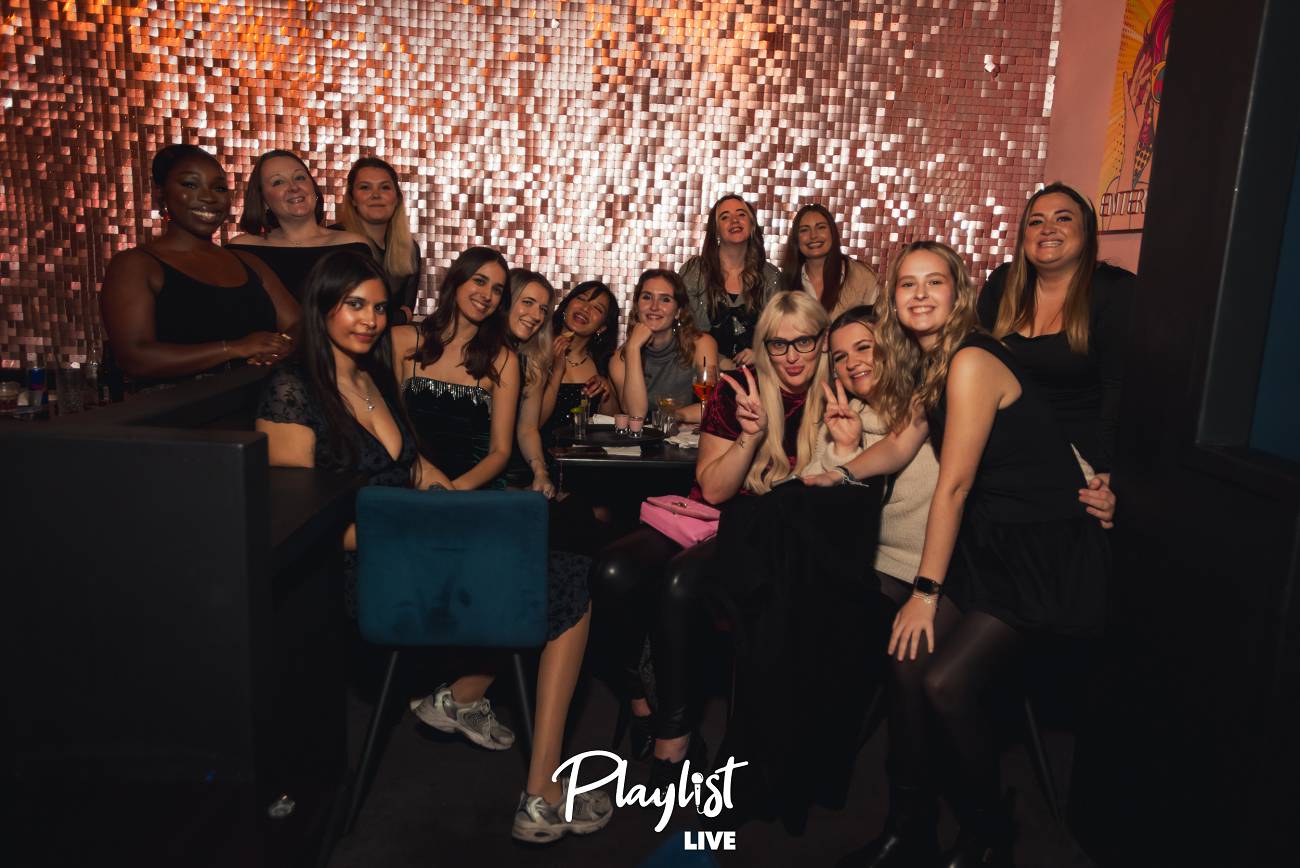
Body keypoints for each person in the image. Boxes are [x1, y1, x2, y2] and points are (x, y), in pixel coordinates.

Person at [255, 249, 610, 843]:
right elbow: (302, 528)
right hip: (369, 571)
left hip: (415, 546)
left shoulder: (369, 379)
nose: (369, 320)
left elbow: (417, 469)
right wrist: (420, 528)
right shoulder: (293, 391)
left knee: (565, 571)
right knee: (564, 592)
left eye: (377, 308)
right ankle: (540, 789)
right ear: (322, 308)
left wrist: (457, 513)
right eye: (354, 305)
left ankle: (490, 729)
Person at [806, 241, 1111, 867]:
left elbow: (954, 486)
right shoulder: (933, 364)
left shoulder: (970, 360)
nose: (920, 294)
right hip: (990, 544)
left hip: (1039, 554)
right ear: (892, 300)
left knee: (945, 682)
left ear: (959, 293)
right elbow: (899, 445)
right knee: (906, 661)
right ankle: (908, 828)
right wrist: (838, 474)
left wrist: (924, 594)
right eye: (907, 284)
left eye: (934, 282)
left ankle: (989, 832)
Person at [590, 290, 829, 784]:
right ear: (763, 346)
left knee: (680, 582)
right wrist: (750, 435)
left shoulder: (836, 396)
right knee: (610, 570)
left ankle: (674, 736)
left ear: (822, 342)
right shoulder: (737, 389)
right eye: (778, 344)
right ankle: (641, 701)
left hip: (767, 532)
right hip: (706, 515)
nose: (791, 356)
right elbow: (715, 489)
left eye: (804, 342)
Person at [100, 144, 299, 387]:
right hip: (184, 408)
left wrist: (283, 345)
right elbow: (136, 358)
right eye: (190, 184)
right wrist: (233, 348)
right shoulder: (136, 265)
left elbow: (300, 324)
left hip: (267, 403)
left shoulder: (248, 261)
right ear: (161, 194)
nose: (208, 197)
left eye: (219, 188)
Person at [978, 182, 1136, 483]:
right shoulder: (1003, 283)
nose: (1047, 229)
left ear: (1087, 232)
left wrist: (1107, 470)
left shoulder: (1115, 291)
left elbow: (1119, 390)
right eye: (1036, 222)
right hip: (1003, 453)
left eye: (1063, 218)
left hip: (1079, 462)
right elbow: (974, 369)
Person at [390, 246, 518, 491]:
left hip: (470, 491)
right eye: (479, 281)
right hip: (407, 483)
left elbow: (500, 451)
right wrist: (427, 483)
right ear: (457, 280)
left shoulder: (503, 360)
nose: (487, 295)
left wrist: (451, 492)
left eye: (497, 289)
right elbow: (389, 427)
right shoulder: (402, 340)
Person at [227, 149, 374, 301]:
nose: (294, 187)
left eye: (300, 178)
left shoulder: (354, 246)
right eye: (278, 182)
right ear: (263, 200)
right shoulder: (243, 250)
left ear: (313, 189)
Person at [679, 194, 781, 368]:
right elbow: (686, 331)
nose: (734, 220)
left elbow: (781, 334)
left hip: (758, 375)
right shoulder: (694, 272)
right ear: (716, 229)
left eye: (741, 214)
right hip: (704, 373)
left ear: (752, 224)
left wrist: (761, 354)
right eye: (725, 217)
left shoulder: (770, 276)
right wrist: (718, 361)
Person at [608, 268, 718, 426]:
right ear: (637, 307)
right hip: (643, 439)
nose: (654, 307)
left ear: (678, 312)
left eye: (665, 299)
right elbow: (635, 415)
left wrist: (675, 415)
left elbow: (713, 406)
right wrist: (633, 349)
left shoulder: (701, 344)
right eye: (647, 297)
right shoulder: (619, 359)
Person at [335, 156, 422, 323]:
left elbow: (407, 313)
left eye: (385, 187)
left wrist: (401, 317)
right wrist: (398, 316)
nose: (376, 195)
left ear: (397, 198)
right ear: (352, 199)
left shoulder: (409, 249)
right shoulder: (334, 241)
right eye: (365, 187)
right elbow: (336, 315)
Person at [536, 280, 621, 448]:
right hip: (538, 453)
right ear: (566, 305)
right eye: (581, 298)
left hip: (584, 457)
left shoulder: (604, 363)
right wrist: (555, 370)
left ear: (602, 327)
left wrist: (606, 392)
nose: (586, 308)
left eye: (597, 308)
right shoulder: (536, 348)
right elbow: (531, 423)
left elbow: (611, 428)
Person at [503, 268, 557, 494]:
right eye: (527, 302)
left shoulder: (532, 362)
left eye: (543, 309)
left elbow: (527, 428)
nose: (536, 316)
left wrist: (540, 472)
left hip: (513, 474)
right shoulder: (474, 353)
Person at [779, 204, 879, 318]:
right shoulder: (785, 282)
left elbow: (876, 323)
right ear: (796, 239)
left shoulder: (862, 277)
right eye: (804, 230)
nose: (813, 236)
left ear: (832, 232)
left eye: (821, 227)